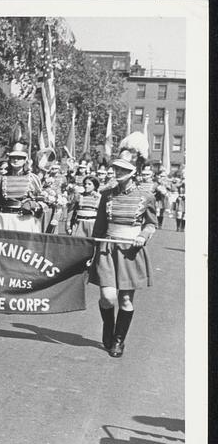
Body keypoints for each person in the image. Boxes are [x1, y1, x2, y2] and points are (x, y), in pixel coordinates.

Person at [90, 132, 156, 358]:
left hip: (130, 251)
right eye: (116, 168)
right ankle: (108, 328)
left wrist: (143, 236)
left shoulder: (146, 196)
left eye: (123, 170)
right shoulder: (107, 194)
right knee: (107, 297)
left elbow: (151, 224)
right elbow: (99, 226)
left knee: (125, 299)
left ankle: (119, 340)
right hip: (107, 249)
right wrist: (92, 251)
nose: (117, 172)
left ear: (133, 172)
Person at [0, 140, 45, 232]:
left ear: (25, 160)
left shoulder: (33, 178)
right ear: (9, 159)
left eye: (20, 157)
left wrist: (32, 204)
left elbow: (42, 201)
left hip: (25, 220)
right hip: (5, 219)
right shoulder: (1, 179)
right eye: (13, 157)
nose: (16, 160)